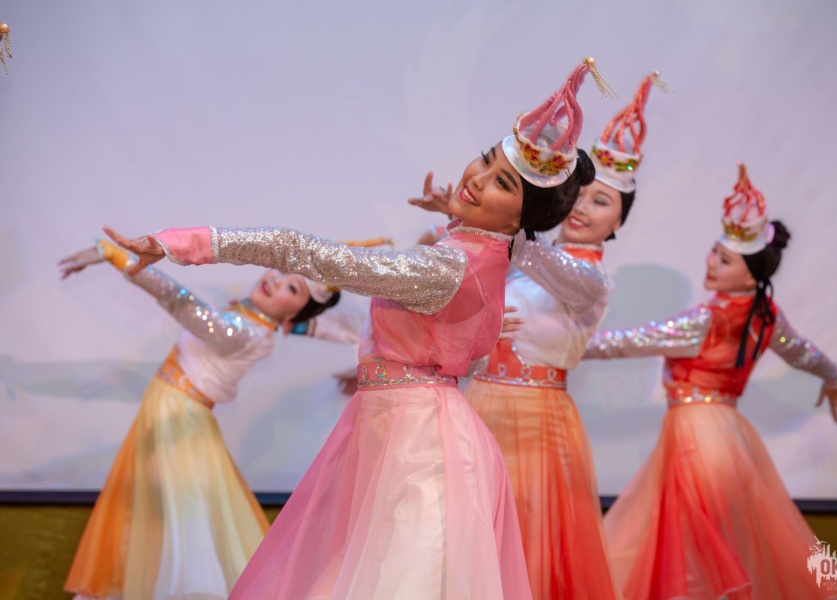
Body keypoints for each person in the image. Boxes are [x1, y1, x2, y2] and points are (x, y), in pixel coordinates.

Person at [104, 58, 612, 599]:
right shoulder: (475, 255)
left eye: (501, 183)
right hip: (400, 429)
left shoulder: (448, 266)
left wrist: (182, 244)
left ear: (517, 220)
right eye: (486, 161)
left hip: (420, 447)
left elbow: (303, 253)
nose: (477, 179)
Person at [409, 71, 665, 599]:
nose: (582, 208)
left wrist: (494, 219)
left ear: (619, 223)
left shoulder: (589, 281)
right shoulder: (521, 262)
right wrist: (458, 218)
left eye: (601, 202)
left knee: (526, 541)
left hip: (537, 422)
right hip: (478, 404)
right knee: (462, 532)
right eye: (578, 197)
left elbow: (544, 263)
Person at [583, 164, 837, 599]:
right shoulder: (767, 316)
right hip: (731, 439)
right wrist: (835, 379)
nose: (711, 261)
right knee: (715, 541)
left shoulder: (705, 319)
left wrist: (562, 345)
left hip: (696, 435)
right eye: (715, 252)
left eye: (724, 259)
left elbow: (626, 342)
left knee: (691, 548)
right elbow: (804, 353)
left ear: (750, 275)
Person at [59, 238, 339, 600]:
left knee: (182, 525)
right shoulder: (249, 319)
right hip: (173, 413)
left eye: (293, 287)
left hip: (179, 420)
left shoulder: (244, 333)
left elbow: (181, 301)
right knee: (160, 519)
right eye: (282, 271)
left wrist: (116, 256)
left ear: (291, 318)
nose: (276, 280)